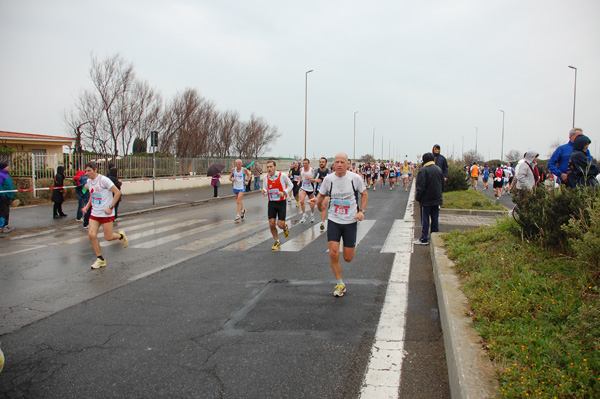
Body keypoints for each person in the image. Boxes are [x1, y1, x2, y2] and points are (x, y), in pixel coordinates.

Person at [309, 152, 368, 297]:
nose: (340, 165)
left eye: (342, 162)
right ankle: (340, 283)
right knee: (333, 252)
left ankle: (347, 251)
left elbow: (364, 194)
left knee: (348, 258)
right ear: (333, 164)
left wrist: (362, 211)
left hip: (350, 221)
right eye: (337, 162)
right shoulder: (329, 179)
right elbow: (321, 194)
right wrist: (316, 200)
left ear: (348, 163)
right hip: (334, 220)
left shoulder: (355, 178)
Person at [81, 162, 128, 269]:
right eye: (86, 171)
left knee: (108, 237)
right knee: (91, 235)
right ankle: (100, 259)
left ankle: (121, 236)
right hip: (95, 213)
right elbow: (92, 195)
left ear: (95, 170)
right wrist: (87, 207)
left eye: (89, 171)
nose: (87, 173)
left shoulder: (104, 180)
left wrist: (111, 207)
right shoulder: (89, 181)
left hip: (106, 213)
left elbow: (117, 193)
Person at [261, 160, 292, 250]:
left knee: (280, 224)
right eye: (267, 167)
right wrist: (263, 192)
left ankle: (285, 227)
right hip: (271, 203)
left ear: (275, 167)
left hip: (281, 202)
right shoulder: (265, 178)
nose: (269, 169)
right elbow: (265, 191)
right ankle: (277, 241)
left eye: (271, 167)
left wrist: (284, 192)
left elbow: (290, 185)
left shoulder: (282, 176)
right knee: (271, 224)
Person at [414, 153, 444, 245]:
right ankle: (435, 237)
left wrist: (418, 198)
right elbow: (443, 184)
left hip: (426, 199)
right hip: (437, 198)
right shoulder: (439, 170)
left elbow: (420, 187)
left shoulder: (423, 171)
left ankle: (424, 238)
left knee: (425, 219)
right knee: (435, 218)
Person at [314, 157, 331, 231]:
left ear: (326, 163)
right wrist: (315, 180)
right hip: (319, 191)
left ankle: (322, 223)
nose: (321, 163)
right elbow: (310, 179)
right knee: (319, 207)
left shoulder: (329, 171)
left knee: (324, 206)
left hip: (327, 192)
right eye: (320, 162)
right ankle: (324, 213)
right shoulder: (316, 171)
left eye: (323, 162)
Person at [298, 158, 316, 223]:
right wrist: (299, 181)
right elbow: (300, 176)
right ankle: (304, 214)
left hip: (310, 188)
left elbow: (314, 180)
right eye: (303, 163)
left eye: (306, 163)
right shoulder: (301, 169)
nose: (304, 164)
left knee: (312, 204)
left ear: (308, 164)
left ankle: (312, 215)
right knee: (302, 201)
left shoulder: (312, 170)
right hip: (303, 187)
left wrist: (310, 178)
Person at [0, 162, 15, 233]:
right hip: (3, 196)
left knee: (6, 211)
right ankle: (2, 226)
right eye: (7, 166)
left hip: (7, 196)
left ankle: (6, 225)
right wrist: (3, 194)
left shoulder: (6, 174)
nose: (8, 167)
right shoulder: (1, 175)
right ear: (3, 167)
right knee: (3, 211)